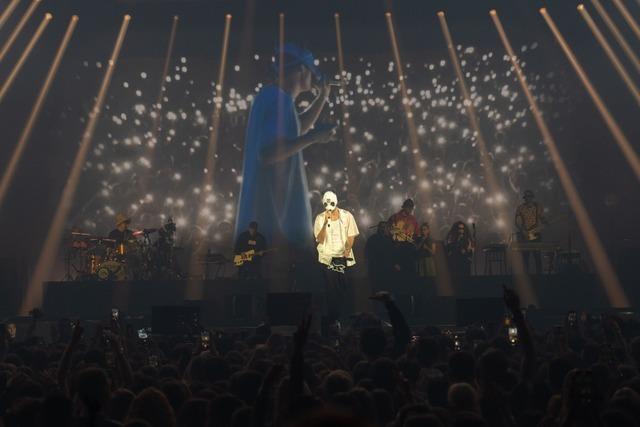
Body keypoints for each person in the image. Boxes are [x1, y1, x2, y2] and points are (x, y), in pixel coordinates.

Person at [234, 42, 336, 252]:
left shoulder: (271, 97)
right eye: (311, 69)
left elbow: (293, 130)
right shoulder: (279, 100)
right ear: (301, 69)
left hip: (268, 227)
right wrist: (313, 138)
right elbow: (268, 153)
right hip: (277, 230)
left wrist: (321, 98)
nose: (313, 75)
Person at [313, 191, 359, 325]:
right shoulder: (320, 218)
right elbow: (319, 239)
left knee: (342, 286)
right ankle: (335, 318)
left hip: (342, 256)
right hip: (328, 257)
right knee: (331, 288)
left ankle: (344, 316)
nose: (329, 206)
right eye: (326, 203)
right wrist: (325, 222)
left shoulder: (346, 216)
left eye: (331, 202)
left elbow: (351, 234)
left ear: (336, 202)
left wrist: (348, 248)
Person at [515, 189, 547, 274]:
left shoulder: (538, 206)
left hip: (535, 234)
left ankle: (539, 275)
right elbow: (517, 222)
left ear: (532, 197)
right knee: (525, 256)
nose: (528, 199)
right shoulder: (520, 208)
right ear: (524, 198)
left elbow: (542, 217)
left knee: (537, 255)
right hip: (524, 234)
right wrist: (523, 231)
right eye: (526, 197)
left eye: (530, 197)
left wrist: (545, 221)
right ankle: (526, 276)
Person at [364, 221, 396, 292]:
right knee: (377, 289)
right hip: (376, 269)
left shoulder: (390, 239)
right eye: (382, 227)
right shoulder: (373, 239)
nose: (383, 229)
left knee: (386, 289)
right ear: (378, 228)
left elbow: (393, 253)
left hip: (387, 269)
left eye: (385, 227)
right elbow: (367, 253)